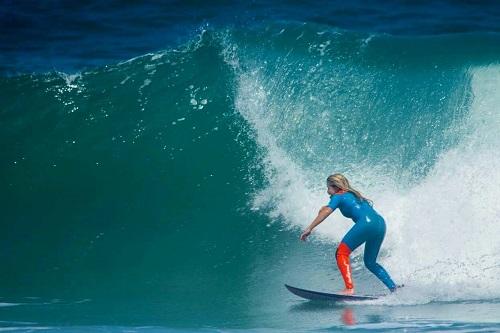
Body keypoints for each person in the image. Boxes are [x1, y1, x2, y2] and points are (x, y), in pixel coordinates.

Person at [300, 173, 399, 294]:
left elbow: (327, 211)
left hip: (366, 224)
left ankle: (349, 288)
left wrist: (310, 228)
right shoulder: (353, 195)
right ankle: (394, 288)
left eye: (328, 188)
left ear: (335, 186)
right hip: (380, 224)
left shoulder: (338, 196)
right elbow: (334, 207)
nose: (328, 192)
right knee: (370, 262)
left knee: (341, 253)